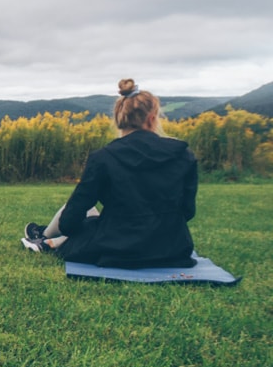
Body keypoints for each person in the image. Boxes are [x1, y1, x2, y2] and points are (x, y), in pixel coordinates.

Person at [21, 79, 198, 269]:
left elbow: (71, 219)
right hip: (172, 248)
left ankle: (45, 238)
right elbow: (188, 211)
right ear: (152, 118)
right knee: (91, 219)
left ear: (118, 119)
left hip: (116, 249)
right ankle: (46, 239)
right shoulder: (183, 155)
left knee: (84, 215)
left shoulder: (103, 158)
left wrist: (74, 232)